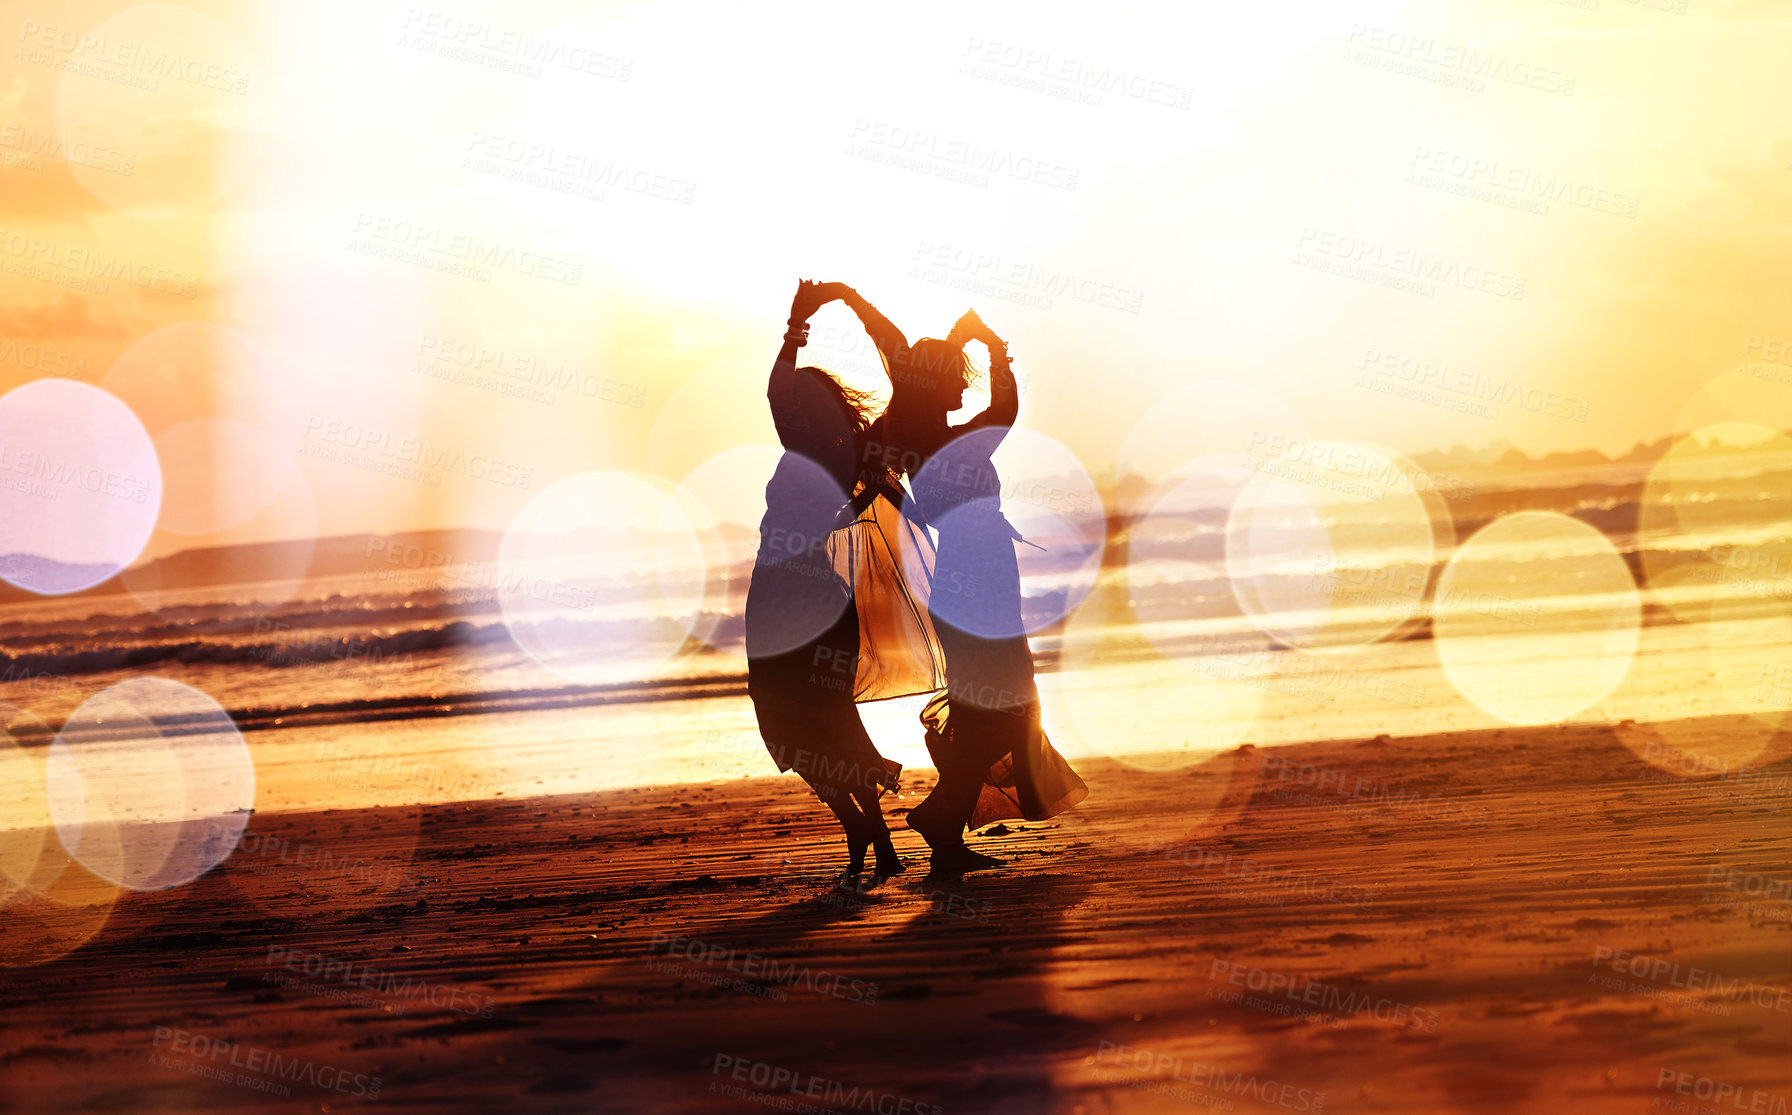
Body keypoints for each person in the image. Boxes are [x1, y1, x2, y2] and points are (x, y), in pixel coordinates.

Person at [834, 287, 1088, 874]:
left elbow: (897, 350)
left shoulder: (917, 441)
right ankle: (941, 817)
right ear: (935, 384)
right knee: (1008, 709)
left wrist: (953, 338)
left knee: (995, 710)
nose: (963, 387)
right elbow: (1006, 407)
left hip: (972, 586)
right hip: (980, 588)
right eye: (954, 378)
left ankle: (946, 834)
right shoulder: (955, 442)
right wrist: (991, 345)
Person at [744, 280, 924, 879]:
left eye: (802, 399)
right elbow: (898, 374)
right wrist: (857, 307)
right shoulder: (863, 457)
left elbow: (777, 390)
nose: (793, 405)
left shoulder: (812, 448)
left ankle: (866, 836)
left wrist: (799, 324)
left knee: (800, 722)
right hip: (814, 594)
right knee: (824, 719)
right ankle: (873, 840)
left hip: (783, 594)